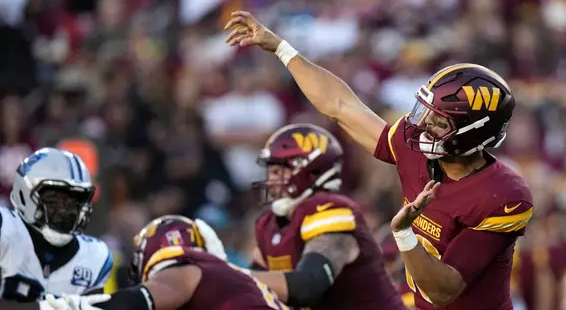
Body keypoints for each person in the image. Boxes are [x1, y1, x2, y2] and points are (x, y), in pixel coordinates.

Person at [223, 11, 534, 310]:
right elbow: (341, 106)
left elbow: (443, 290)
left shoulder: (503, 196)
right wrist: (281, 48)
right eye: (426, 112)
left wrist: (403, 233)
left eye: (439, 121)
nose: (423, 125)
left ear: (471, 134)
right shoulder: (417, 148)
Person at [218, 123, 406, 310]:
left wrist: (229, 275)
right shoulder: (270, 224)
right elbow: (253, 292)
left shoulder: (330, 211)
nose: (270, 181)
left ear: (309, 171)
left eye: (277, 172)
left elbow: (307, 287)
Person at [48, 215, 288, 310]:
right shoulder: (236, 278)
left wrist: (78, 307)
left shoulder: (184, 270)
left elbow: (139, 300)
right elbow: (301, 286)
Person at [0, 148, 112, 310]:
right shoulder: (5, 230)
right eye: (54, 200)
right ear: (25, 192)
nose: (65, 211)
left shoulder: (95, 257)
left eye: (74, 202)